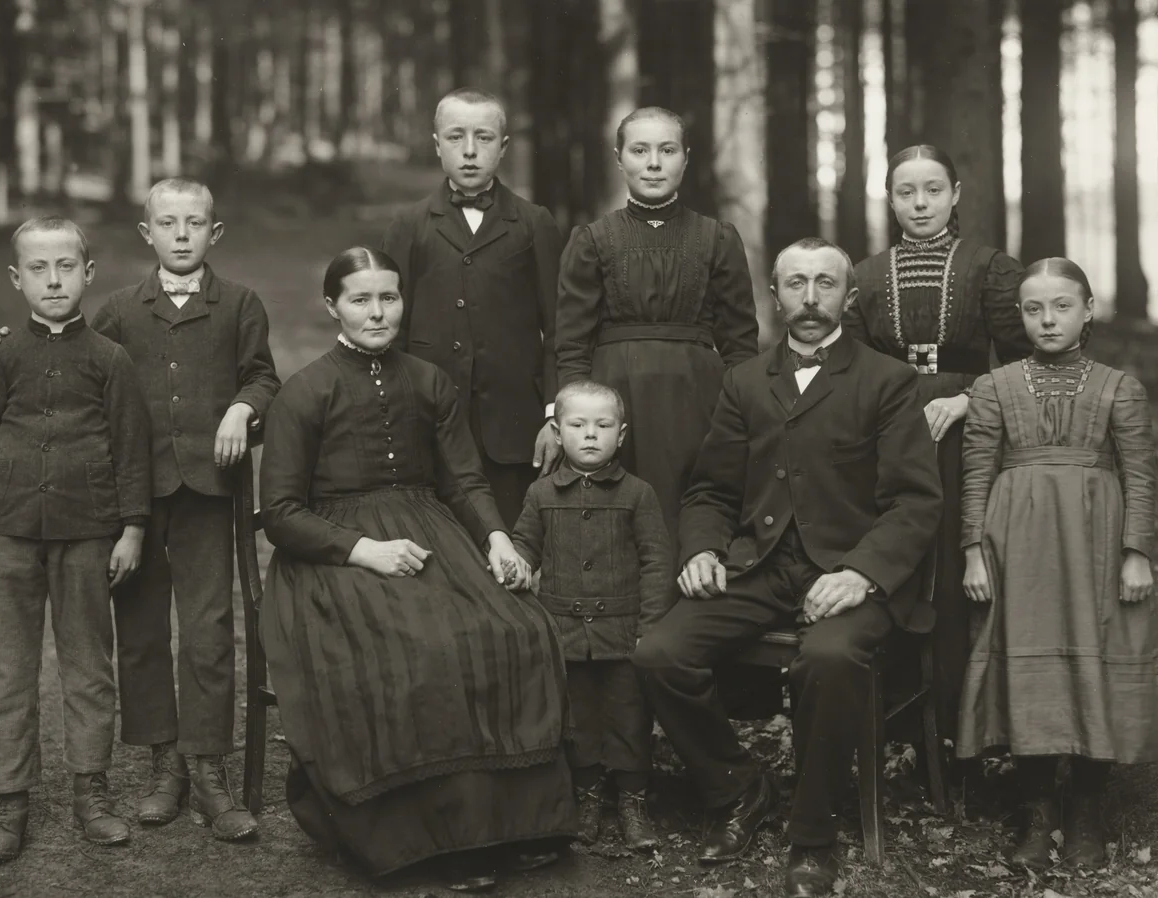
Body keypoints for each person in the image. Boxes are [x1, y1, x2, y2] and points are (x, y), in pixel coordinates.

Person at [259, 246, 577, 893]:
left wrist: (496, 539)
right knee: (417, 647)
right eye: (361, 300)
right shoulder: (305, 392)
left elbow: (463, 478)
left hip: (429, 532)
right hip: (334, 556)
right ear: (332, 307)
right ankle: (427, 842)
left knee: (508, 627)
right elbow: (282, 514)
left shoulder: (429, 381)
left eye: (389, 299)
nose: (378, 313)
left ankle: (511, 827)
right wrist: (362, 550)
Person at [634, 238, 943, 898]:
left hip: (851, 574)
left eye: (824, 284)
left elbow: (915, 501)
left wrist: (862, 573)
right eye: (795, 283)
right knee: (661, 652)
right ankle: (741, 789)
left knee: (827, 660)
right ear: (774, 296)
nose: (809, 297)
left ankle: (812, 837)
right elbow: (711, 489)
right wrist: (702, 550)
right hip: (763, 566)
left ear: (848, 296)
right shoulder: (746, 381)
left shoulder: (887, 381)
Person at [0, 178, 281, 841]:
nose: (180, 234)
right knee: (139, 636)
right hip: (127, 499)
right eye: (167, 223)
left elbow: (263, 374)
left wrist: (242, 407)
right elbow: (61, 346)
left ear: (213, 233)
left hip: (206, 490)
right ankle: (161, 763)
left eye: (194, 223)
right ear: (146, 234)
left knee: (208, 630)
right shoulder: (118, 310)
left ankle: (207, 768)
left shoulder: (240, 304)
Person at [0, 218, 151, 860]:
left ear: (88, 274)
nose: (54, 280)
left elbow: (130, 451)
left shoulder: (109, 360)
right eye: (38, 269)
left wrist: (131, 529)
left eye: (66, 266)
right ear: (17, 279)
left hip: (89, 535)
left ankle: (90, 792)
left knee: (88, 667)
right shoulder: (0, 359)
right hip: (7, 534)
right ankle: (8, 801)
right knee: (7, 671)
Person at [957, 257, 1156, 871]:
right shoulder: (994, 387)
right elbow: (977, 473)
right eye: (1033, 309)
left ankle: (1087, 813)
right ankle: (1038, 815)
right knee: (1029, 669)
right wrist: (971, 552)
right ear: (1019, 316)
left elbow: (1142, 475)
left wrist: (1137, 552)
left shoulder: (1120, 387)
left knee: (1095, 662)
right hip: (1016, 545)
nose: (1047, 320)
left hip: (1096, 542)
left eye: (1062, 306)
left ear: (1088, 310)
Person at [844, 144, 1034, 745]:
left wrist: (968, 398)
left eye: (933, 189)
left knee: (959, 563)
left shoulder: (990, 268)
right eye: (906, 192)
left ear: (955, 195)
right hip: (891, 430)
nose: (920, 203)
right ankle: (904, 729)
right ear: (891, 199)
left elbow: (1027, 363)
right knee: (902, 561)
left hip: (967, 431)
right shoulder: (869, 276)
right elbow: (851, 368)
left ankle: (973, 727)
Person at [556, 106, 761, 550]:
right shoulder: (593, 240)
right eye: (640, 150)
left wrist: (743, 412)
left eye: (667, 150)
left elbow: (741, 343)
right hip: (615, 399)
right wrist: (572, 414)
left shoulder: (717, 238)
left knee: (692, 512)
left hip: (696, 399)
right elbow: (572, 343)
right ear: (619, 158)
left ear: (685, 159)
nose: (653, 163)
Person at [381, 87, 564, 527]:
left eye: (483, 138)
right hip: (431, 417)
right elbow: (390, 327)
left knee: (510, 543)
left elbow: (560, 327)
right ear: (436, 145)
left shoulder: (533, 222)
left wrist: (554, 414)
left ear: (502, 148)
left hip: (513, 423)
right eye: (455, 137)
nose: (468, 151)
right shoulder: (409, 225)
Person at [511, 380, 673, 852]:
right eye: (577, 425)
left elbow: (657, 561)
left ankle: (632, 801)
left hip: (622, 631)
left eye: (603, 426)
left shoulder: (638, 493)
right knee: (577, 716)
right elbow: (526, 545)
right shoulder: (541, 494)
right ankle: (586, 797)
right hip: (564, 631)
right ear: (558, 433)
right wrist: (517, 562)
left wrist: (650, 628)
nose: (590, 435)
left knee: (628, 714)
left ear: (621, 436)